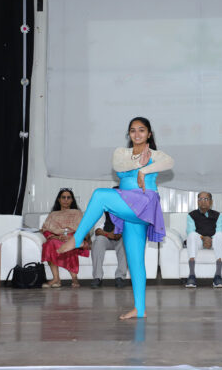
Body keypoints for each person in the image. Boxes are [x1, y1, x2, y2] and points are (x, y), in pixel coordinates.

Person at [58, 117, 174, 319]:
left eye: (142, 130)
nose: (137, 134)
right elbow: (119, 167)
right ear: (129, 134)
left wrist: (144, 170)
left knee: (100, 195)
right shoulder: (121, 153)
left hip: (144, 202)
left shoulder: (156, 155)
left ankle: (77, 239)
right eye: (133, 130)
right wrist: (138, 162)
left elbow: (170, 162)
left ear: (149, 134)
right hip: (128, 206)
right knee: (135, 261)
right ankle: (139, 309)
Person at [40, 188, 90, 288]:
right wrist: (55, 236)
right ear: (59, 199)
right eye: (63, 197)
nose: (66, 200)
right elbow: (45, 229)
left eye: (68, 197)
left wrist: (72, 237)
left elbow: (83, 229)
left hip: (73, 238)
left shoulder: (77, 213)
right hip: (57, 238)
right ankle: (56, 279)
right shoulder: (53, 214)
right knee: (50, 244)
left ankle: (74, 278)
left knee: (69, 245)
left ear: (72, 200)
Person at [185, 191, 222, 288]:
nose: (203, 201)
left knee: (220, 235)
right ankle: (191, 275)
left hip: (213, 241)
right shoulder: (191, 215)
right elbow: (191, 231)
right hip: (199, 241)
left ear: (211, 202)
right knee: (191, 235)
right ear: (197, 201)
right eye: (200, 199)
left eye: (206, 199)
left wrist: (210, 239)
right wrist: (204, 238)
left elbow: (219, 230)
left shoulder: (218, 215)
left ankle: (218, 276)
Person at [91, 206, 128, 289]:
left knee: (125, 241)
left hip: (119, 238)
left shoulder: (124, 211)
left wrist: (120, 233)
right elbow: (98, 230)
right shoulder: (102, 211)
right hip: (106, 237)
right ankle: (97, 277)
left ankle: (120, 277)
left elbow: (128, 228)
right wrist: (108, 234)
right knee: (99, 240)